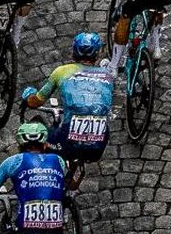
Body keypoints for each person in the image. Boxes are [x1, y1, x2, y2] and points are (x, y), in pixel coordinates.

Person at [24, 30, 114, 176]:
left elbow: (36, 102)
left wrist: (28, 95)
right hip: (98, 146)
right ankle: (74, 178)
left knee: (36, 136)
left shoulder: (62, 72)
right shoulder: (107, 76)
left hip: (67, 142)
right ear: (97, 54)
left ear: (74, 52)